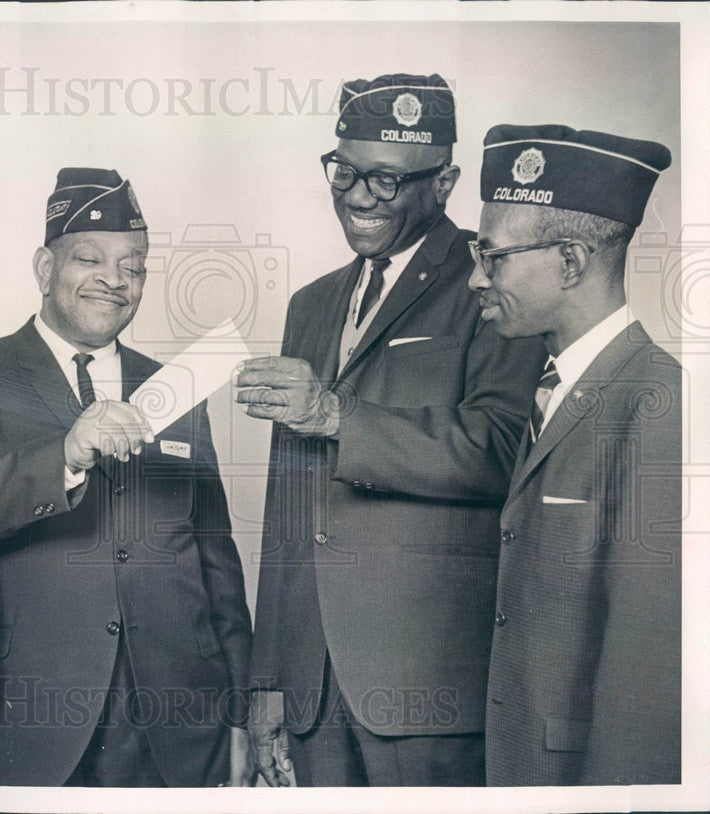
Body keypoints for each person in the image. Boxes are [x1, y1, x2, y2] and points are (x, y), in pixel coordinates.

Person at [235, 74, 546, 787]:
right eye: (343, 170)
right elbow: (290, 505)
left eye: (385, 178)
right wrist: (269, 678)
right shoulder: (311, 304)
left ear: (445, 182)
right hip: (312, 687)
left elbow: (501, 452)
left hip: (428, 684)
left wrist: (339, 416)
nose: (356, 195)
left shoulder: (492, 278)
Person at [0, 167, 252, 787]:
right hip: (30, 720)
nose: (114, 280)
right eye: (89, 259)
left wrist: (241, 712)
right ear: (46, 269)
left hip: (179, 725)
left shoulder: (178, 389)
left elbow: (215, 559)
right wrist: (64, 456)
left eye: (134, 266)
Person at [469, 124, 680, 785]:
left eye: (492, 257)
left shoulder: (658, 401)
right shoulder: (551, 385)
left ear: (569, 262)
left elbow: (646, 668)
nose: (475, 280)